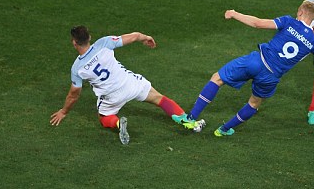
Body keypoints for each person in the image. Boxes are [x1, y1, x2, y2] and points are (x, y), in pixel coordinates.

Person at [173, 1, 314, 137]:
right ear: (313, 19)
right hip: (271, 77)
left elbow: (257, 23)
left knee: (217, 78)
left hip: (256, 61)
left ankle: (191, 117)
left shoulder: (289, 21)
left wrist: (234, 13)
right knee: (254, 104)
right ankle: (223, 130)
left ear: (300, 11)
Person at [50, 26, 204, 145]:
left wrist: (64, 112)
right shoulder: (104, 43)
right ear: (89, 37)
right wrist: (145, 38)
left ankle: (117, 123)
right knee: (159, 99)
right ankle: (188, 122)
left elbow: (74, 95)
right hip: (130, 83)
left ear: (74, 42)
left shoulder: (77, 68)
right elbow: (135, 36)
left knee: (103, 117)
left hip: (112, 96)